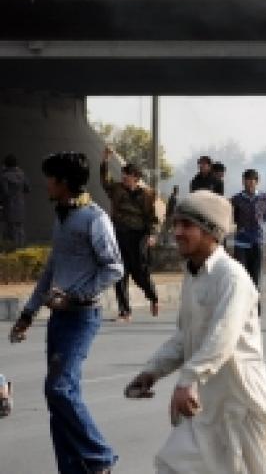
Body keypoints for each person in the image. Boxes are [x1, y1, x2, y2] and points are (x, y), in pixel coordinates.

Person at [124, 191, 266, 474]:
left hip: (238, 404)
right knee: (171, 467)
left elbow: (223, 336)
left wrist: (189, 379)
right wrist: (152, 371)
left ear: (211, 231)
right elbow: (185, 335)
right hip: (204, 405)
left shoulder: (232, 277)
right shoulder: (193, 275)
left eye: (187, 225)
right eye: (176, 224)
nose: (177, 232)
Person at [9, 152, 123, 474]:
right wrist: (28, 314)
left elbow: (114, 268)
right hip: (59, 318)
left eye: (50, 178)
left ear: (63, 182)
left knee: (58, 389)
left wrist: (76, 295)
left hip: (82, 317)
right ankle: (71, 469)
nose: (46, 184)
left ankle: (100, 457)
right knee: (59, 397)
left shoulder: (94, 218)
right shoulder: (62, 216)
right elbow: (51, 270)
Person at [101, 146, 162, 323]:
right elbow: (105, 181)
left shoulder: (147, 195)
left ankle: (153, 297)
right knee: (120, 273)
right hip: (120, 234)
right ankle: (124, 312)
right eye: (123, 174)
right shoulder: (117, 189)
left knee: (139, 272)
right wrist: (105, 160)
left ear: (136, 177)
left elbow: (153, 218)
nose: (124, 177)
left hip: (138, 237)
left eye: (127, 175)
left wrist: (152, 235)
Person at [230, 169, 266, 296]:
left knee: (256, 277)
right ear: (243, 182)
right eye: (247, 181)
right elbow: (234, 218)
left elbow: (265, 217)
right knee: (241, 276)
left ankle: (255, 304)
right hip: (241, 242)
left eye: (252, 181)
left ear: (257, 182)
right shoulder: (236, 199)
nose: (249, 184)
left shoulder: (264, 198)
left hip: (258, 241)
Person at [0, 154, 30, 246]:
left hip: (8, 207)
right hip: (20, 206)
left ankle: (10, 249)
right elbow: (27, 189)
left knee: (8, 230)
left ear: (6, 164)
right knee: (19, 230)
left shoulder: (4, 176)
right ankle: (20, 247)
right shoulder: (22, 174)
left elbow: (4, 193)